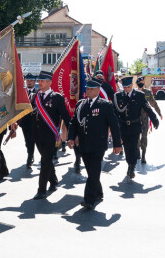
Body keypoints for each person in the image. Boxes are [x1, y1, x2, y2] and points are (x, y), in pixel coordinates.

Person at [67, 78, 122, 210]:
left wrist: (117, 144)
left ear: (98, 90)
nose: (88, 91)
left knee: (94, 171)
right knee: (92, 171)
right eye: (88, 88)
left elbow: (114, 125)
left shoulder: (105, 105)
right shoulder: (81, 104)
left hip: (98, 144)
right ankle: (98, 192)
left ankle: (88, 200)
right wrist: (70, 137)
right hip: (84, 144)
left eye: (92, 89)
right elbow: (73, 122)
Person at [30, 70, 71, 200]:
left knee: (45, 161)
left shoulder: (57, 98)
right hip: (37, 135)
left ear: (49, 82)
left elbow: (66, 116)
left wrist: (72, 134)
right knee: (46, 159)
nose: (39, 83)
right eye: (39, 81)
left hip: (50, 135)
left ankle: (41, 190)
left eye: (42, 81)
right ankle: (53, 180)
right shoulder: (35, 96)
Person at [113, 76, 159, 179]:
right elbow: (114, 113)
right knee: (127, 148)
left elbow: (147, 108)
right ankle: (129, 164)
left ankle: (132, 167)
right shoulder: (118, 96)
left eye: (128, 87)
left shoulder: (139, 95)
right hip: (124, 126)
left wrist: (154, 118)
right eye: (125, 87)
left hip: (135, 126)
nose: (126, 89)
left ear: (132, 85)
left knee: (134, 147)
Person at [136, 76, 162, 164]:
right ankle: (138, 152)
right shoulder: (134, 93)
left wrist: (159, 113)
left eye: (142, 82)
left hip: (144, 119)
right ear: (137, 83)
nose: (141, 84)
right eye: (140, 82)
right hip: (135, 119)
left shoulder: (147, 93)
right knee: (136, 136)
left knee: (144, 136)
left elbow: (153, 103)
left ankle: (143, 155)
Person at [19, 73, 38, 169]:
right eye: (28, 80)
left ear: (35, 81)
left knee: (33, 139)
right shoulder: (22, 93)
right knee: (27, 140)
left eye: (31, 80)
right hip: (25, 121)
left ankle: (30, 156)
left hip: (36, 121)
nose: (29, 82)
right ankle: (30, 153)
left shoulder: (38, 92)